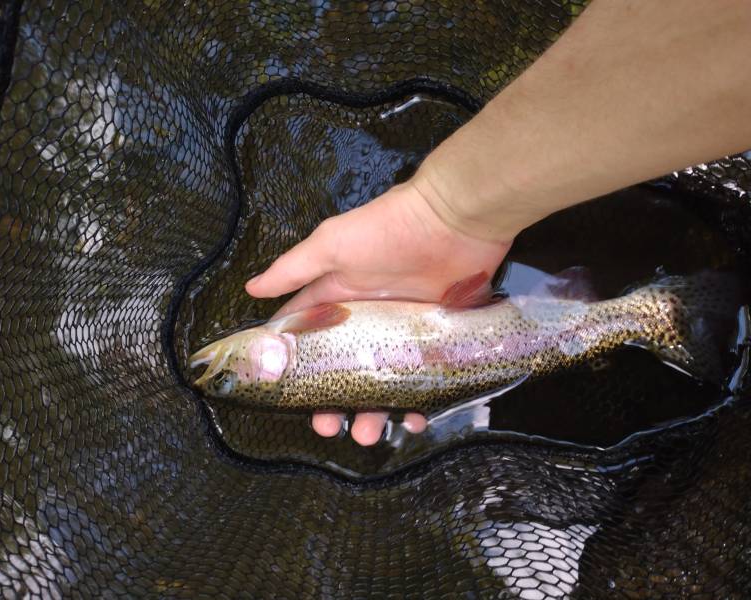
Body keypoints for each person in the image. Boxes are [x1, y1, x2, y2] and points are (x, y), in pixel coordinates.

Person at [246, 0, 751, 446]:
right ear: (265, 368)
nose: (218, 368)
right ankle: (652, 314)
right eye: (229, 376)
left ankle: (652, 314)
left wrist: (445, 211)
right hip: (492, 336)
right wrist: (443, 208)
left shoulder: (295, 332)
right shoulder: (295, 331)